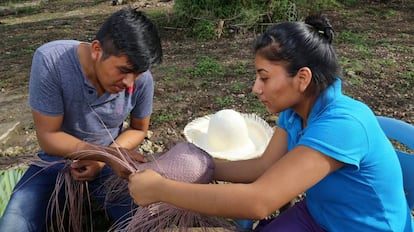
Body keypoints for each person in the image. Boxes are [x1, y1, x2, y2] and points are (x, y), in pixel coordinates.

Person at [127, 14, 413, 231]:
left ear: (302, 78)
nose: (255, 88)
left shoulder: (343, 124)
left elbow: (259, 201)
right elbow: (264, 167)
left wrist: (161, 190)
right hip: (321, 214)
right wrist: (197, 167)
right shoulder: (296, 111)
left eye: (264, 77)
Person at [0, 7, 162, 232]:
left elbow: (138, 129)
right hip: (56, 159)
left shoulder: (140, 81)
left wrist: (105, 159)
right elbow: (49, 136)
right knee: (13, 225)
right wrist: (102, 155)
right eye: (124, 70)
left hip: (111, 158)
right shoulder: (52, 61)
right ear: (97, 49)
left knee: (145, 221)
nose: (129, 83)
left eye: (137, 74)